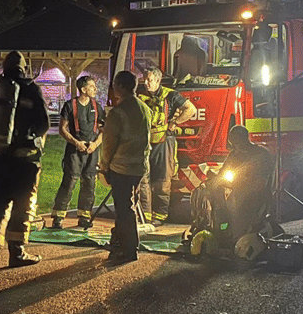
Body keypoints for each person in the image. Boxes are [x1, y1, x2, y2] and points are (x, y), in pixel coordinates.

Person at [0, 50, 48, 267]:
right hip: (24, 158)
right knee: (23, 204)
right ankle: (17, 252)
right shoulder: (32, 89)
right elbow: (43, 124)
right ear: (24, 67)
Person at [187, 125, 274, 248]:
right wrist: (213, 178)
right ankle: (213, 226)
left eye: (237, 141)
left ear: (244, 138)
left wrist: (252, 183)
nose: (235, 145)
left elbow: (263, 177)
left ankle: (238, 234)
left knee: (238, 208)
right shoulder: (233, 155)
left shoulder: (260, 153)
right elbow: (223, 173)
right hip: (237, 189)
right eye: (233, 142)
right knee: (208, 193)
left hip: (256, 193)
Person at [98, 70, 152, 264]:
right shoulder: (145, 109)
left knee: (124, 209)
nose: (113, 90)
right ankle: (118, 241)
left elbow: (109, 145)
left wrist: (103, 167)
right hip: (139, 167)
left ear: (120, 87)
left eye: (114, 86)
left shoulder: (117, 113)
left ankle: (129, 249)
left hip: (121, 168)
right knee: (131, 204)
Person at [137, 67, 196, 226]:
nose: (146, 83)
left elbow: (191, 109)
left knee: (162, 180)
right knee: (144, 180)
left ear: (158, 81)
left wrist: (174, 123)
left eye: (149, 80)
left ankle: (160, 215)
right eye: (145, 80)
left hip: (164, 142)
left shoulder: (170, 95)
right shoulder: (140, 94)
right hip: (145, 142)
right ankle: (146, 216)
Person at [50, 75, 105, 229]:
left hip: (92, 151)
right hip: (74, 150)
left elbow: (103, 130)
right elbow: (62, 129)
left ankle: (84, 216)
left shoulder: (97, 106)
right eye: (92, 86)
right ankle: (58, 217)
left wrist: (95, 144)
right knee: (70, 181)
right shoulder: (69, 106)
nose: (95, 89)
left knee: (89, 182)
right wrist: (76, 142)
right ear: (83, 89)